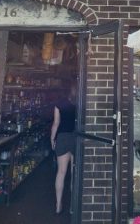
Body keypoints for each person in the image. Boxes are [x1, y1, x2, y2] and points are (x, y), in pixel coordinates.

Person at [50, 82, 78, 215]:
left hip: (62, 138)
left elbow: (56, 123)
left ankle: (58, 204)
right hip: (76, 138)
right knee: (74, 173)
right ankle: (73, 205)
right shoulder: (80, 102)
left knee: (61, 173)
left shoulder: (59, 103)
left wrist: (52, 139)